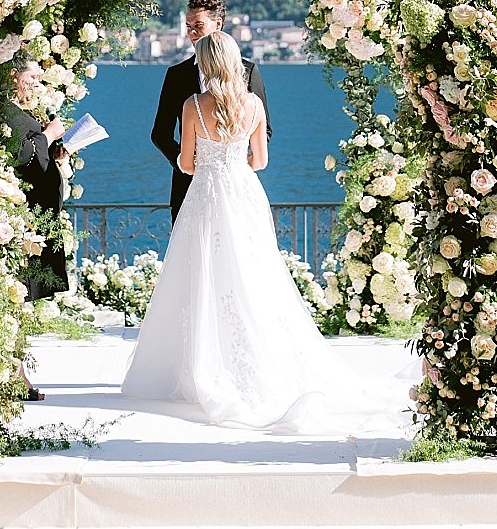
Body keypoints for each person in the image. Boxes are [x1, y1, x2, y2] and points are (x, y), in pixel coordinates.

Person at [123, 31, 399, 435]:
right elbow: (262, 160)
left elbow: (185, 164)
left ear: (205, 64)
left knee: (202, 275)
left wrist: (210, 166)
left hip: (206, 195)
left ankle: (203, 361)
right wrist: (232, 167)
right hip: (244, 194)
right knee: (254, 275)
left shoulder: (193, 106)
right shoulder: (252, 104)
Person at [151, 0, 270, 223]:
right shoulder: (176, 75)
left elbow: (264, 130)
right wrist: (191, 164)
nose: (192, 33)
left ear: (218, 25)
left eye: (198, 25)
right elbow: (160, 134)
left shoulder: (248, 71)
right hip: (188, 188)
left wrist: (233, 165)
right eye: (188, 27)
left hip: (237, 185)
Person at [1, 63, 71, 399]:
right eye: (31, 77)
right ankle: (15, 378)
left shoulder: (17, 111)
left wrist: (55, 150)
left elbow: (34, 157)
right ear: (13, 75)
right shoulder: (4, 110)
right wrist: (48, 135)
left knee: (20, 300)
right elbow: (20, 155)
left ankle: (17, 376)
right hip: (21, 221)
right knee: (15, 299)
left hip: (33, 218)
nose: (36, 82)